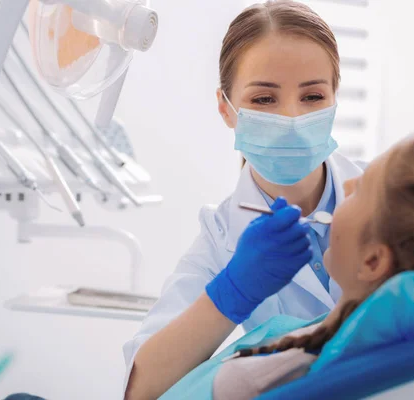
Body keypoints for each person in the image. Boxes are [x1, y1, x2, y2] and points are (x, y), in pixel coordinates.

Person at [123, 1, 367, 398]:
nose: (291, 117)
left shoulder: (388, 192)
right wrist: (232, 292)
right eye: (264, 100)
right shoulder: (222, 237)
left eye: (313, 96)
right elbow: (142, 389)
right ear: (226, 108)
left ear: (335, 99)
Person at [164, 128, 414, 400]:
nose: (351, 182)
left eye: (363, 188)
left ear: (371, 261)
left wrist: (234, 291)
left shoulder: (252, 380)